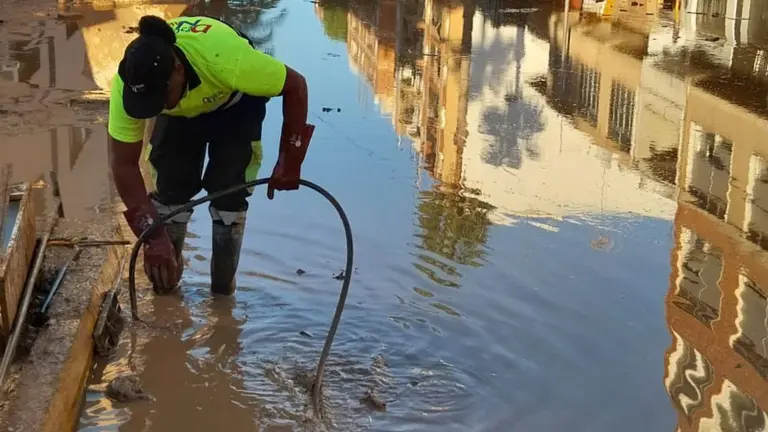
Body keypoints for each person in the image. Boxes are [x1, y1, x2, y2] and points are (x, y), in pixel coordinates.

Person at [108, 14, 314, 296]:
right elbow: (124, 165)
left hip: (233, 104)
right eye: (145, 103)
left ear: (178, 71)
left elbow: (296, 86)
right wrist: (152, 237)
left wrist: (290, 161)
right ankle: (167, 291)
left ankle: (222, 293)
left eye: (158, 99)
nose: (150, 108)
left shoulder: (230, 61)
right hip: (179, 114)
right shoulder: (129, 84)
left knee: (228, 191)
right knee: (171, 190)